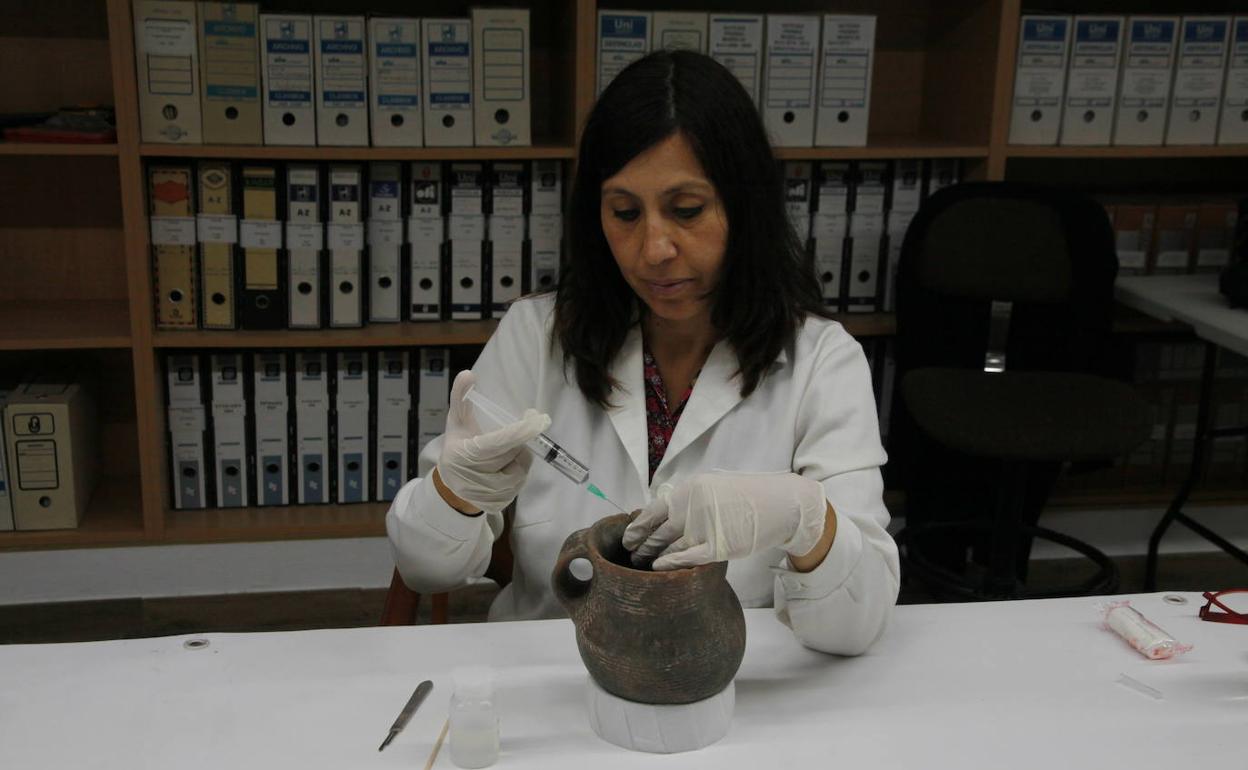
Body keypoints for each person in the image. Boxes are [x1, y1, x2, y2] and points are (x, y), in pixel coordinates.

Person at [387, 50, 899, 655]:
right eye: (625, 212)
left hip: (734, 688)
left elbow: (855, 626)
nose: (654, 249)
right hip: (556, 682)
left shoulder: (820, 360)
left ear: (746, 205)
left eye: (687, 211)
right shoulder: (536, 335)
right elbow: (426, 568)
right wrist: (456, 492)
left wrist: (806, 519)